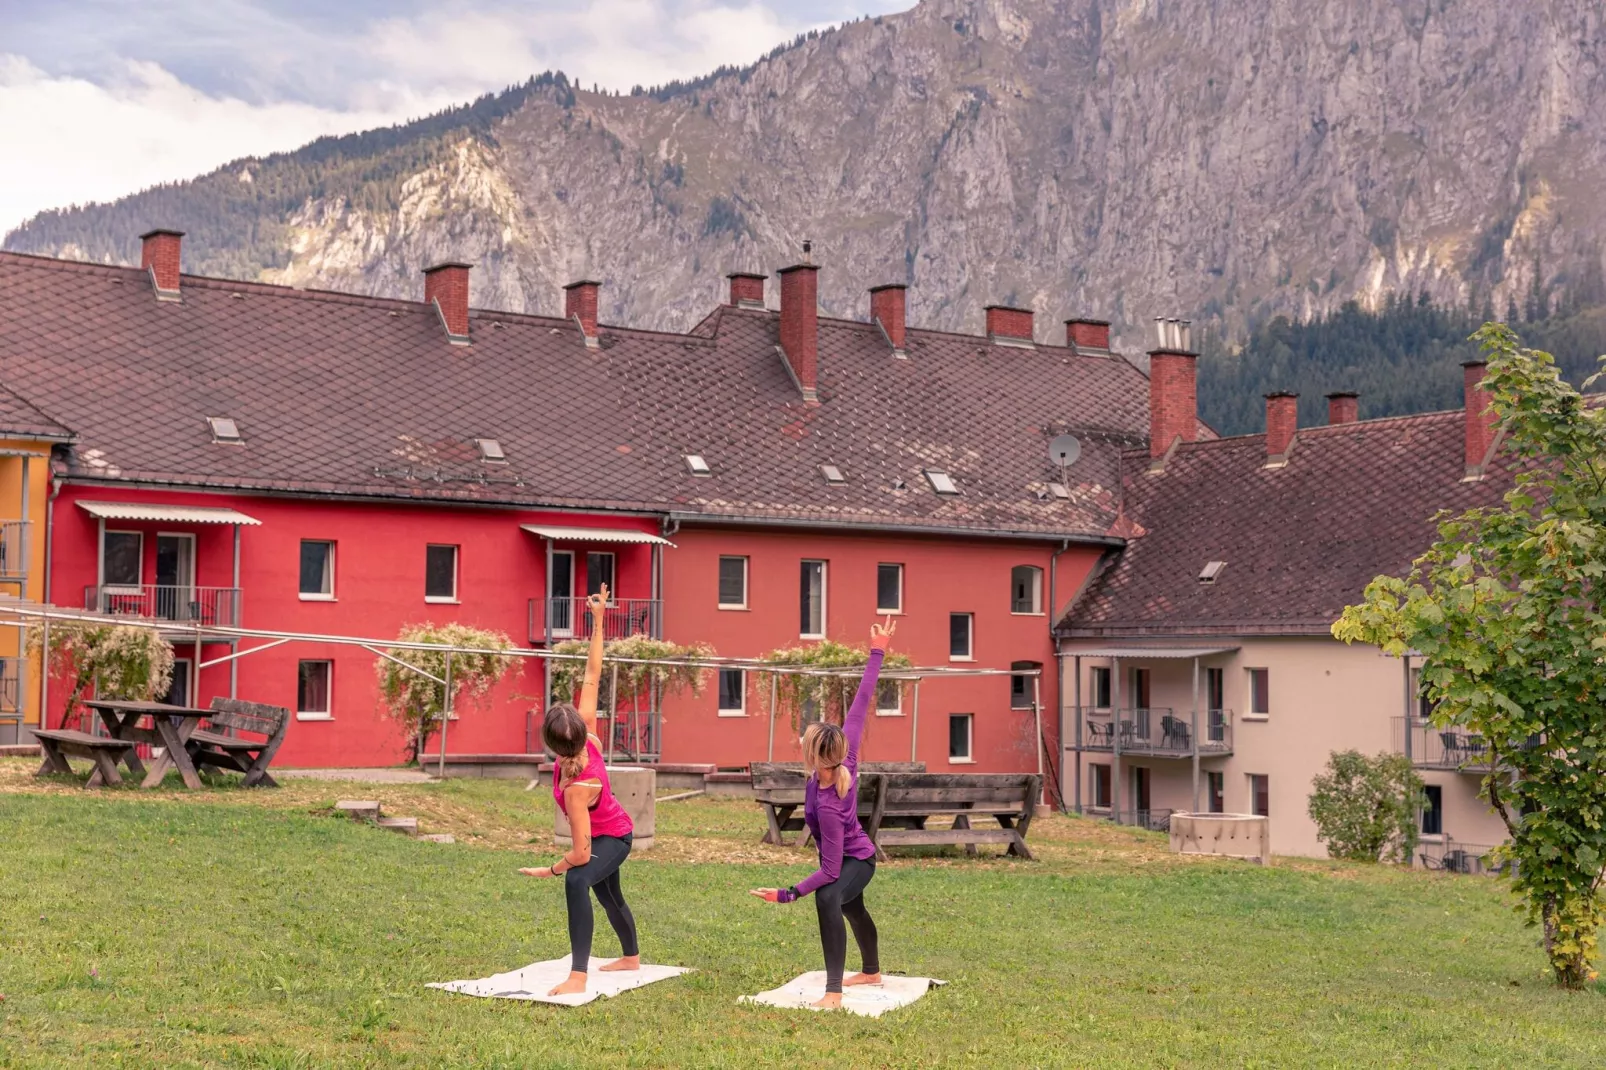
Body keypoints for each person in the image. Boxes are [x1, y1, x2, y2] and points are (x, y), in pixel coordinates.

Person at [750, 616, 895, 1008]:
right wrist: (877, 649)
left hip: (858, 859)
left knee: (829, 898)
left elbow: (831, 871)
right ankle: (871, 971)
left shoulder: (831, 803)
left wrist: (788, 894)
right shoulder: (843, 755)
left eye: (806, 738)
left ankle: (833, 993)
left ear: (815, 755)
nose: (801, 738)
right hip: (849, 856)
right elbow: (862, 700)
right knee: (850, 904)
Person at [518, 584, 639, 996]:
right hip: (610, 831)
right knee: (607, 892)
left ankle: (577, 975)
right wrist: (600, 619)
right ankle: (631, 957)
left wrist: (549, 869)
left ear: (552, 744)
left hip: (615, 836)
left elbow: (582, 853)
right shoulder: (588, 739)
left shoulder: (575, 788)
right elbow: (592, 673)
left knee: (577, 881)